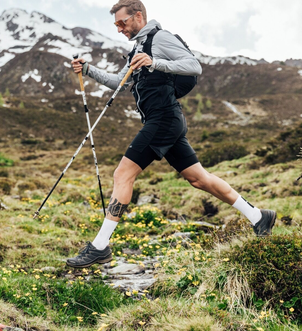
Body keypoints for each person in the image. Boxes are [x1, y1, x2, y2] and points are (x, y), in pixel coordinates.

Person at [67, 0, 276, 268]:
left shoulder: (160, 38)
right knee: (199, 179)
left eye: (122, 23)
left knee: (122, 174)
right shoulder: (138, 49)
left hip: (164, 119)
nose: (119, 29)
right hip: (166, 120)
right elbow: (119, 83)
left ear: (138, 17)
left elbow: (193, 66)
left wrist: (156, 62)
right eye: (115, 25)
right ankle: (259, 216)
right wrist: (88, 69)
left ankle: (99, 246)